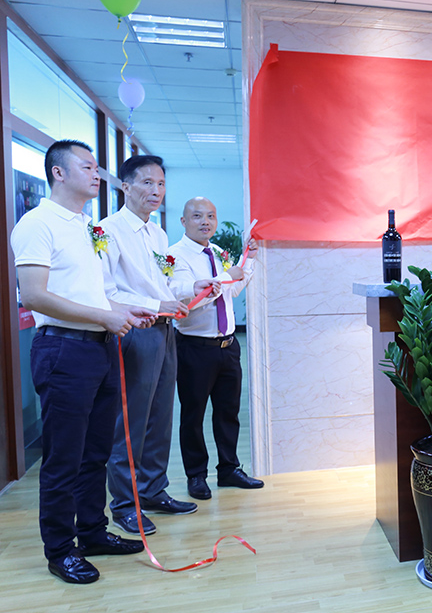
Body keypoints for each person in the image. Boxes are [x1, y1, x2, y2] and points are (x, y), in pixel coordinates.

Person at [11, 140, 154, 584]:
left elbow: (91, 293)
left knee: (95, 451)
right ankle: (60, 550)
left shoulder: (87, 225)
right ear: (59, 173)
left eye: (96, 167)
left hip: (99, 348)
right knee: (64, 457)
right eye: (88, 167)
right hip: (63, 349)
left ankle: (92, 532)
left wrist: (123, 310)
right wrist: (103, 316)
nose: (97, 174)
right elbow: (34, 296)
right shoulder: (38, 224)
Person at [100, 155, 219, 535]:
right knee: (131, 422)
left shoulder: (158, 233)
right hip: (135, 330)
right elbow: (107, 292)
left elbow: (163, 283)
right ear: (126, 186)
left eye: (161, 183)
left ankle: (153, 491)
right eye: (147, 182)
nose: (156, 190)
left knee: (160, 417)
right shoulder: (107, 230)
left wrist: (189, 289)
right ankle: (124, 504)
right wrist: (156, 304)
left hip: (166, 329)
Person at [168, 197, 264, 500]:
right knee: (193, 415)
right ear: (184, 221)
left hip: (228, 346)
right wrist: (225, 276)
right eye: (197, 216)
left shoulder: (218, 252)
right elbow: (187, 299)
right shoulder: (174, 255)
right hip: (194, 347)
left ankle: (229, 469)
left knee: (228, 412)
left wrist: (247, 261)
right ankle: (196, 475)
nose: (205, 222)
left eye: (210, 216)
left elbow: (231, 291)